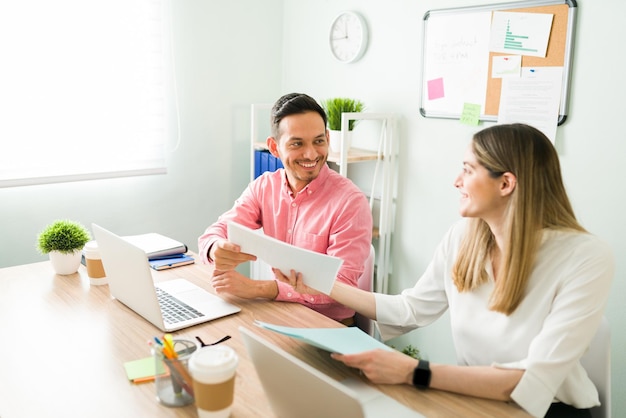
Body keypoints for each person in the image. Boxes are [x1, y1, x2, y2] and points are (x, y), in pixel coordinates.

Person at [276, 123, 613, 417]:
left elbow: (532, 380)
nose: (456, 181)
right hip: (475, 401)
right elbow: (410, 309)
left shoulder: (584, 257)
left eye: (467, 170)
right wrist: (321, 284)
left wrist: (413, 371)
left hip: (548, 410)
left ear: (506, 183)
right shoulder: (464, 237)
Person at [198, 92, 372, 325]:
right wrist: (216, 248)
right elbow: (215, 232)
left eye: (318, 141)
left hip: (329, 326)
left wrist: (260, 288)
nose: (311, 154)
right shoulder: (264, 187)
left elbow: (342, 287)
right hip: (281, 315)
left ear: (328, 139)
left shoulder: (350, 202)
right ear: (274, 147)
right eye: (297, 143)